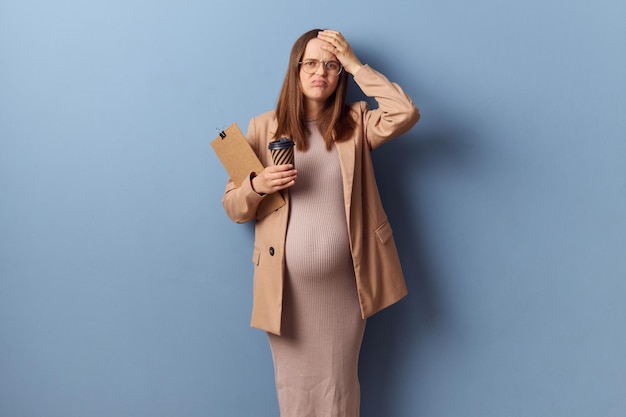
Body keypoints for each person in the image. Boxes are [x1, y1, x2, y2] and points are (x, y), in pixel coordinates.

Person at [222, 28, 420, 417]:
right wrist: (258, 184)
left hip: (345, 288)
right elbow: (233, 207)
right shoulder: (261, 127)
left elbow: (405, 112)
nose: (320, 73)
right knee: (294, 390)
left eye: (331, 66)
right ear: (295, 70)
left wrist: (354, 63)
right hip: (284, 291)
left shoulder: (355, 123)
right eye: (311, 63)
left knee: (338, 388)